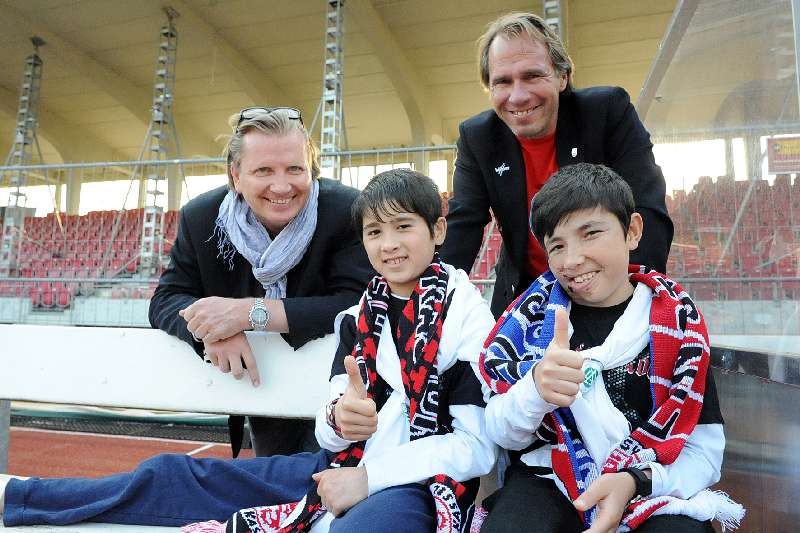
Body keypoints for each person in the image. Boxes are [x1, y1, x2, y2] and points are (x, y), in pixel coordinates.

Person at [2, 169, 498, 533]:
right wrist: (340, 416)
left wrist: (370, 477)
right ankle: (18, 496)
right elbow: (328, 426)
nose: (388, 245)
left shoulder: (468, 319)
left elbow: (475, 447)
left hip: (421, 485)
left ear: (437, 231)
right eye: (375, 232)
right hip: (341, 466)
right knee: (173, 474)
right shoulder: (360, 316)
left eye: (403, 227)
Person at [477, 163, 742, 533]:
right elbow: (502, 433)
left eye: (590, 234)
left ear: (632, 231)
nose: (572, 260)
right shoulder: (532, 325)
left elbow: (704, 454)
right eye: (557, 246)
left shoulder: (679, 327)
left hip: (650, 483)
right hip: (548, 478)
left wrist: (635, 481)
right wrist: (535, 389)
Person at [148, 107, 374, 457]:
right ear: (236, 175)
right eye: (263, 171)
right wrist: (211, 330)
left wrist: (248, 313)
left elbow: (358, 301)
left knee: (331, 482)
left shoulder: (347, 209)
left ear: (311, 169)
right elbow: (166, 299)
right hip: (262, 392)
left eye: (295, 169)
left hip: (341, 386)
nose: (281, 186)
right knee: (273, 481)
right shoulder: (201, 217)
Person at [439, 12, 674, 317]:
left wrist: (627, 305)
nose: (518, 96)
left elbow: (647, 209)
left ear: (562, 77)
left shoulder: (607, 112)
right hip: (526, 296)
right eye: (503, 82)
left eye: (532, 76)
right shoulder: (477, 137)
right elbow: (462, 227)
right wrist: (431, 302)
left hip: (609, 291)